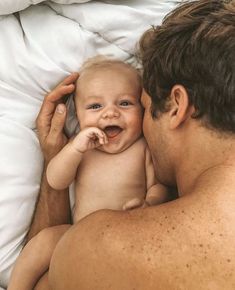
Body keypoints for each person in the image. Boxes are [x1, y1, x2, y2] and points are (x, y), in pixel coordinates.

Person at [7, 58, 171, 290]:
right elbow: (56, 179)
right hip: (77, 235)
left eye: (124, 103)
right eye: (95, 106)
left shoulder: (142, 148)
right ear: (79, 115)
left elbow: (159, 186)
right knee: (43, 243)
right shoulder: (81, 148)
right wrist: (74, 149)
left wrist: (150, 204)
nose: (110, 113)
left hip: (128, 236)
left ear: (143, 108)